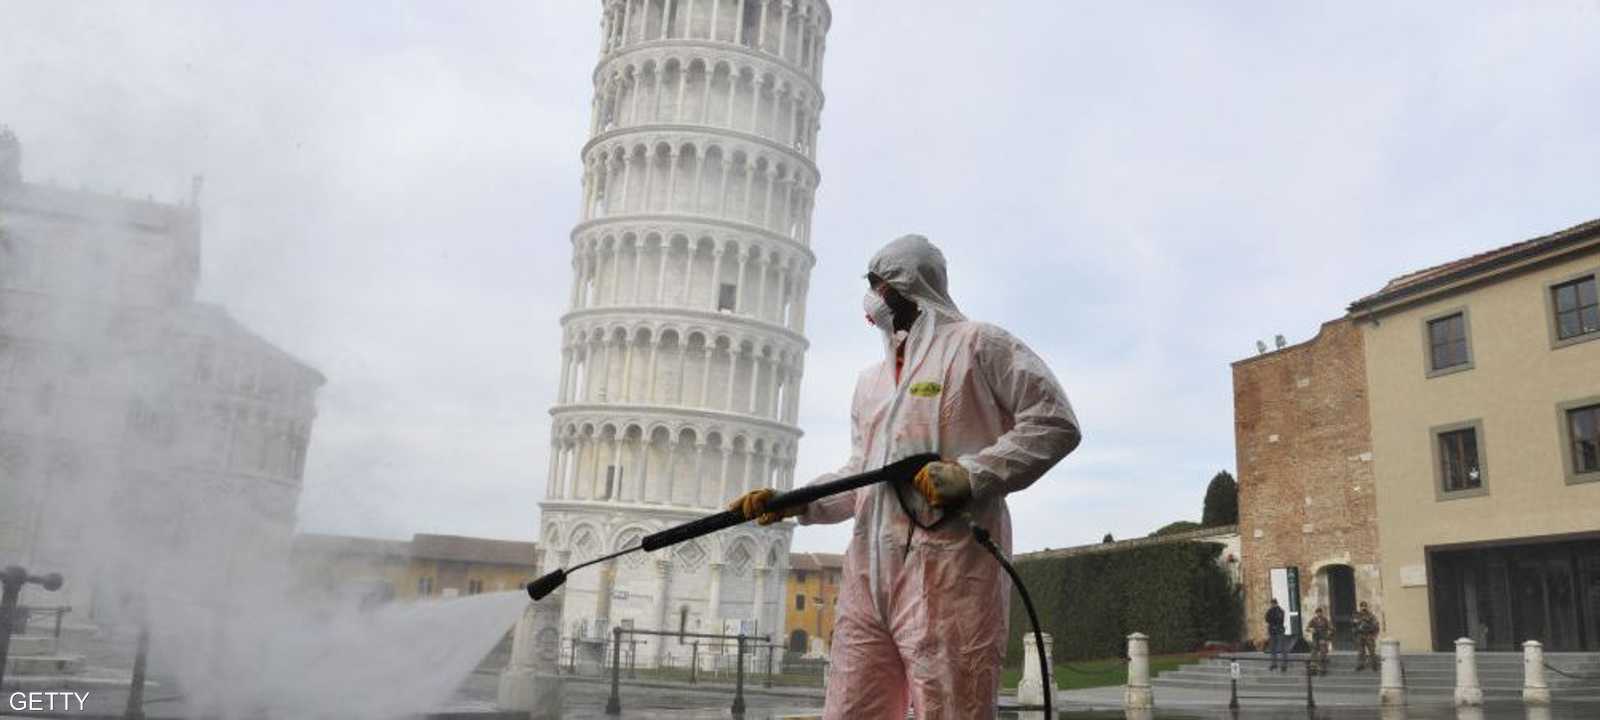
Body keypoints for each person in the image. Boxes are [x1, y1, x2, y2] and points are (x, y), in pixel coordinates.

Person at [727, 235, 1082, 719]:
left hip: (949, 576)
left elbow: (1054, 422)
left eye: (878, 284)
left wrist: (974, 475)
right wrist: (795, 502)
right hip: (868, 583)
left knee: (952, 709)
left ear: (905, 284)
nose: (872, 298)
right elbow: (863, 477)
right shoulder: (871, 383)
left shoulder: (978, 345)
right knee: (852, 710)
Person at [1354, 601, 1380, 672]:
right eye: (1362, 606)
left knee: (1372, 651)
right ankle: (1360, 665)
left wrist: (1374, 635)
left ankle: (1374, 666)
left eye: (1365, 606)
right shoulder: (1357, 615)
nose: (1363, 608)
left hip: (1369, 635)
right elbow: (1354, 624)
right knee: (1360, 652)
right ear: (1360, 607)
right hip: (1360, 635)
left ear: (1366, 607)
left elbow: (1376, 625)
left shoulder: (1370, 615)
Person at [1306, 607, 1332, 675]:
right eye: (1317, 612)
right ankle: (1313, 669)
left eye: (1320, 612)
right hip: (1315, 638)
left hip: (1323, 638)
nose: (1318, 614)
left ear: (1321, 613)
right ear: (1316, 613)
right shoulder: (1314, 620)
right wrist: (1312, 630)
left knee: (1323, 654)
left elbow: (1331, 628)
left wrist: (1328, 635)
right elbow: (1307, 628)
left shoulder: (1325, 620)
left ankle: (1322, 669)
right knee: (1313, 653)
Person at [1265, 598, 1288, 671]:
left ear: (1275, 603)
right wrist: (1272, 620)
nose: (1272, 605)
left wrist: (1273, 620)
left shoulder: (1280, 611)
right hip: (1272, 631)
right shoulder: (1270, 611)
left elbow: (1279, 619)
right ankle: (1274, 663)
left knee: (1282, 648)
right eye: (1271, 604)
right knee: (1272, 649)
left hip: (1279, 630)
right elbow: (1266, 618)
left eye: (1273, 603)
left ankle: (1284, 664)